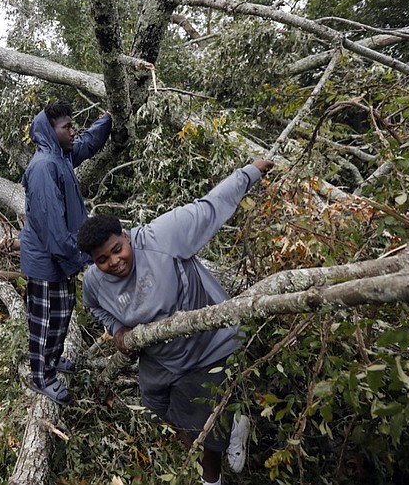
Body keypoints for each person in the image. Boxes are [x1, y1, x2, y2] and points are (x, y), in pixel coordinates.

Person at [76, 159, 274, 484]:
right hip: (160, 358)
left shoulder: (163, 237)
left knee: (199, 424)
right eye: (102, 260)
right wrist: (118, 331)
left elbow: (211, 205)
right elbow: (97, 308)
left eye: (117, 249)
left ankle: (212, 475)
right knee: (154, 403)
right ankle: (231, 418)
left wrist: (251, 171)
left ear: (126, 235)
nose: (114, 262)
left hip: (207, 345)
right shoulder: (94, 282)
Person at [20, 99, 113, 406]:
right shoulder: (44, 167)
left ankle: (54, 359)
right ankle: (41, 376)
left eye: (72, 125)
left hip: (60, 258)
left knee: (62, 314)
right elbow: (52, 228)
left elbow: (86, 144)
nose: (74, 131)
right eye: (67, 127)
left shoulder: (60, 156)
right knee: (45, 320)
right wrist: (79, 258)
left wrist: (109, 119)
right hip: (47, 260)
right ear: (50, 130)